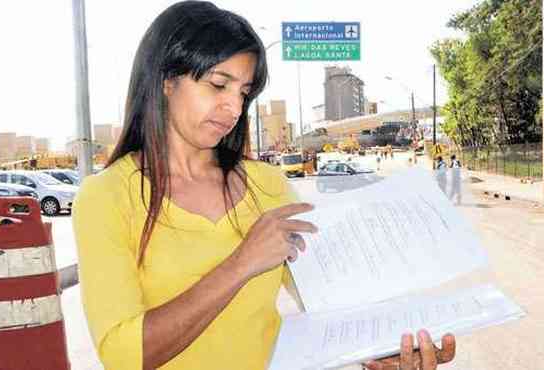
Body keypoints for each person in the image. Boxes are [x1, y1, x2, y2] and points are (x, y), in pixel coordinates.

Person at [72, 2, 455, 370]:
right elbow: (123, 355)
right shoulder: (105, 197)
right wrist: (242, 263)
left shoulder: (267, 184)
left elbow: (330, 300)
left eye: (243, 92)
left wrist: (387, 348)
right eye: (218, 85)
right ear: (165, 81)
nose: (234, 109)